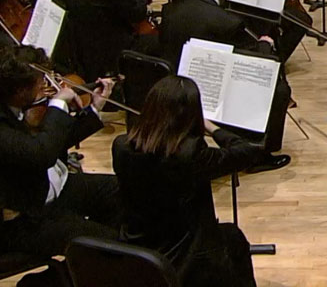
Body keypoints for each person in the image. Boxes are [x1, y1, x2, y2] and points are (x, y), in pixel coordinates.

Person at [0, 46, 120, 280]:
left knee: (119, 192)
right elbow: (41, 154)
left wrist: (94, 107)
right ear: (19, 90)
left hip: (42, 189)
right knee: (108, 242)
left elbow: (53, 142)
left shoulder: (8, 103)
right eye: (39, 83)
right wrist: (58, 105)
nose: (44, 87)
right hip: (18, 220)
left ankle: (90, 272)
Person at [112, 76, 262, 287]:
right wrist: (210, 127)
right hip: (185, 259)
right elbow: (246, 151)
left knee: (231, 236)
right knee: (233, 239)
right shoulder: (190, 155)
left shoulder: (120, 146)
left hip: (139, 251)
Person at [158, 0, 291, 174]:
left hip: (172, 82)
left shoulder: (170, 10)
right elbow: (252, 61)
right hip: (206, 85)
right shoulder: (228, 22)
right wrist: (265, 45)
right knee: (280, 90)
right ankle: (257, 154)